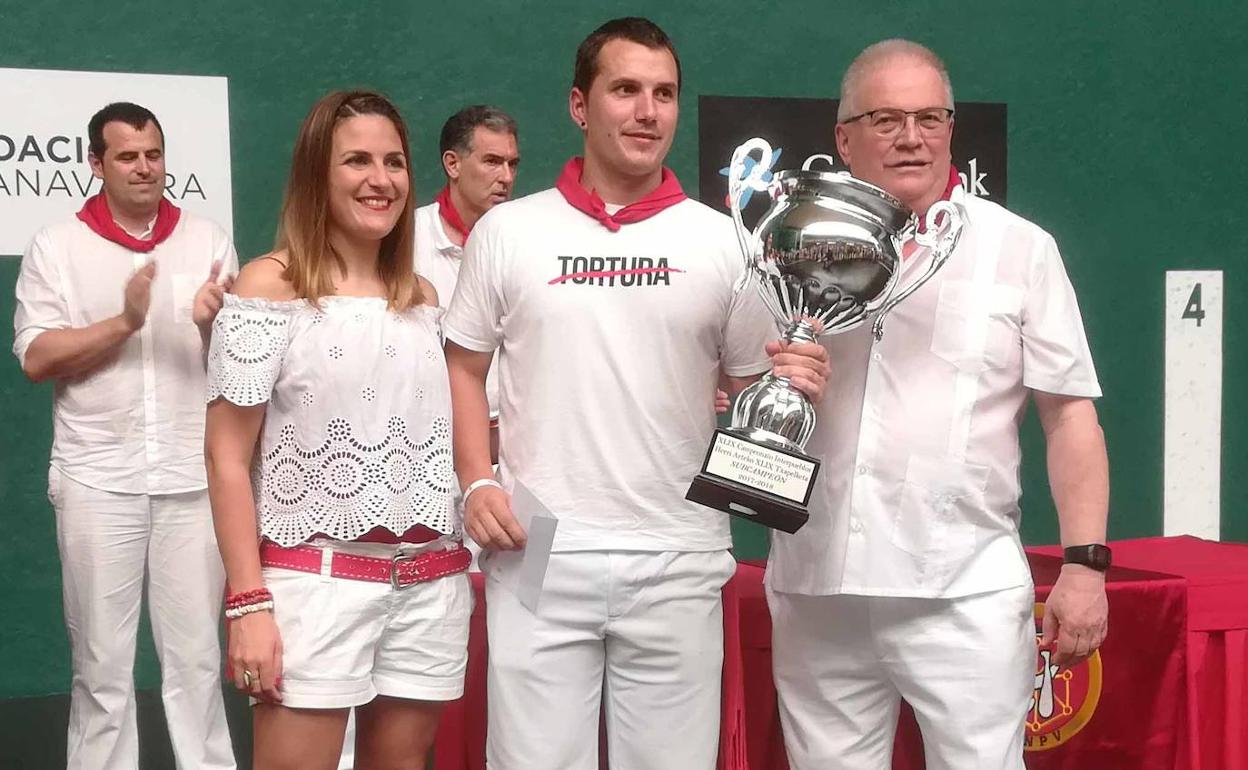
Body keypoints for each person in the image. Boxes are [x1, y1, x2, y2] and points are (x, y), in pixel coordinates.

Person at [443, 17, 830, 769]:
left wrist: (793, 383)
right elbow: (463, 365)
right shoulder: (508, 232)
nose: (647, 111)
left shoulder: (727, 241)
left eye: (664, 94)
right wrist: (477, 480)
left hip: (679, 548)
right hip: (538, 545)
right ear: (580, 106)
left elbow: (753, 386)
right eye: (625, 90)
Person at [765, 39, 1110, 770]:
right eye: (886, 119)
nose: (911, 137)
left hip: (963, 591)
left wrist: (1085, 566)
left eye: (929, 117)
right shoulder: (786, 249)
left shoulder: (1019, 249)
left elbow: (1069, 414)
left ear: (951, 128)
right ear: (843, 139)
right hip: (817, 589)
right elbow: (739, 389)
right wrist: (774, 381)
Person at [204, 90, 471, 769]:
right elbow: (226, 456)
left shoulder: (423, 299)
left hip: (430, 586)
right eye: (357, 161)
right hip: (313, 588)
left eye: (394, 162)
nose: (380, 180)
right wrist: (248, 604)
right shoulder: (267, 286)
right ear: (316, 174)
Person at [12, 101, 237, 770]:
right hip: (96, 479)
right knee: (102, 667)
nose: (145, 167)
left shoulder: (208, 239)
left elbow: (242, 371)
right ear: (96, 164)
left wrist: (213, 328)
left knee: (198, 663)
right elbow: (36, 358)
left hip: (192, 481)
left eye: (154, 154)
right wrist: (124, 323)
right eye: (128, 156)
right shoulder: (57, 246)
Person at [416, 104, 519, 460]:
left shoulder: (525, 242)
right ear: (453, 164)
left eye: (512, 164)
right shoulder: (405, 243)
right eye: (492, 161)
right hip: (430, 450)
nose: (506, 176)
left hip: (513, 452)